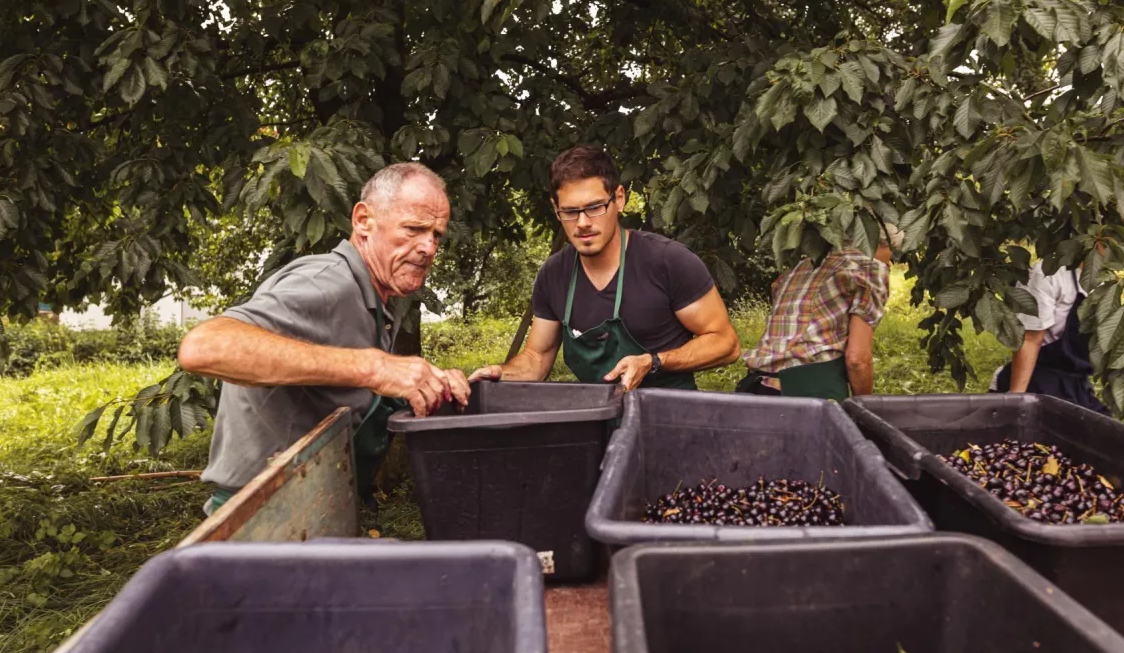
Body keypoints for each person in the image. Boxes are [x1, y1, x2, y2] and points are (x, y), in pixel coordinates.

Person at [178, 162, 471, 515]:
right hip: (262, 519)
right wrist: (375, 368)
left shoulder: (374, 300)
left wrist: (432, 383)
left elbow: (345, 382)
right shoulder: (327, 282)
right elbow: (204, 347)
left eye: (436, 235)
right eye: (413, 229)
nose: (429, 247)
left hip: (312, 508)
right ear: (363, 220)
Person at [470, 145, 741, 390]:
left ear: (619, 198)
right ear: (556, 209)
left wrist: (655, 361)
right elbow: (537, 358)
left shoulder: (668, 261)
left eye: (595, 207)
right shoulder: (554, 275)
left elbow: (726, 343)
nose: (583, 223)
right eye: (570, 211)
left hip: (670, 424)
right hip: (599, 425)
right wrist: (500, 373)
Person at [990, 212, 1124, 414]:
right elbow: (1030, 340)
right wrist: (1016, 399)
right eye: (1115, 242)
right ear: (1093, 235)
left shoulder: (1106, 282)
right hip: (1038, 380)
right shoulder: (1050, 274)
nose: (1120, 252)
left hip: (1076, 385)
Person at [738, 226, 901, 400]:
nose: (889, 264)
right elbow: (857, 360)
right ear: (880, 242)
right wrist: (865, 408)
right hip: (809, 393)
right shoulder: (869, 268)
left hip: (757, 388)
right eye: (892, 254)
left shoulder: (803, 266)